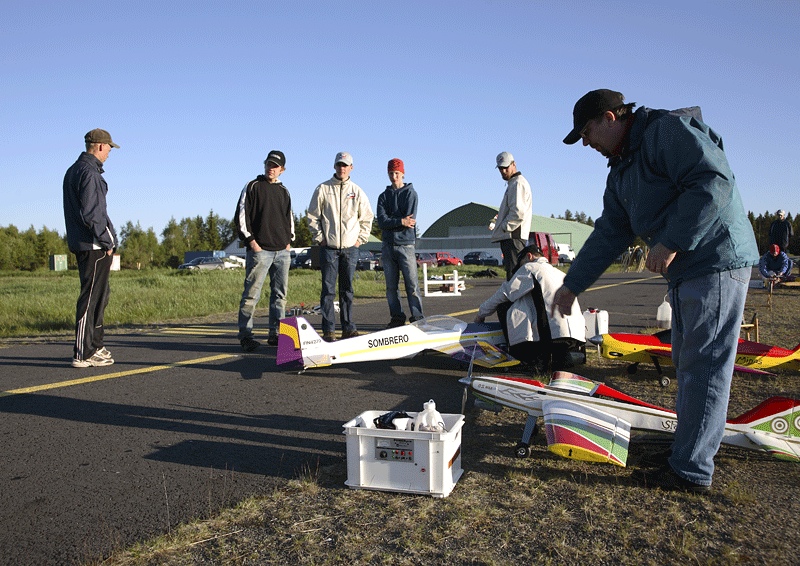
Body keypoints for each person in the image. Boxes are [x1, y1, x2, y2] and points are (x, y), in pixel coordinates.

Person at [553, 89, 759, 493]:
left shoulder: (665, 132)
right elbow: (610, 232)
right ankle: (687, 452)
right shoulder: (621, 169)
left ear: (610, 117)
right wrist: (573, 284)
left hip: (716, 259)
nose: (587, 143)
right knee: (688, 362)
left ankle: (690, 470)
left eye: (587, 132)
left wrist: (672, 240)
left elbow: (713, 180)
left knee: (703, 366)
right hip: (687, 270)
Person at [475, 244, 585, 373]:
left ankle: (526, 358)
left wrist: (481, 314)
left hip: (551, 336)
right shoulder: (559, 273)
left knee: (503, 306)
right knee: (532, 300)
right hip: (574, 335)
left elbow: (505, 293)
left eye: (520, 263)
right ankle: (561, 359)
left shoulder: (530, 267)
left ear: (529, 256)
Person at [63, 128, 120, 368]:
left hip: (87, 243)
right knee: (90, 298)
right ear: (100, 146)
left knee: (100, 295)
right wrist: (108, 241)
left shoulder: (74, 170)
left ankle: (95, 346)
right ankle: (83, 352)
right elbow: (93, 213)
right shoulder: (89, 173)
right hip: (93, 245)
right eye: (109, 149)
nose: (109, 153)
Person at [307, 152, 374, 341]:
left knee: (347, 290)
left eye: (345, 165)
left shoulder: (357, 191)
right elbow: (312, 216)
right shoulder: (323, 189)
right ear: (334, 166)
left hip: (351, 248)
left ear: (351, 168)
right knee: (328, 290)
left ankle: (348, 328)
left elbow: (367, 217)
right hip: (328, 248)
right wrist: (320, 238)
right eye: (339, 165)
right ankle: (328, 330)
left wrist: (360, 240)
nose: (342, 168)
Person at [235, 150, 294, 351]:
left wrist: (289, 241)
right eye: (269, 164)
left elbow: (289, 218)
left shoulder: (284, 191)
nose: (271, 168)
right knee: (251, 295)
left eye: (275, 166)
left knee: (280, 296)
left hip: (282, 251)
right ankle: (246, 336)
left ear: (282, 170)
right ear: (264, 164)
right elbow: (241, 217)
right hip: (260, 251)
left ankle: (276, 335)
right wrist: (252, 243)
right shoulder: (253, 186)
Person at [376, 158, 424, 328]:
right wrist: (400, 221)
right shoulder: (383, 197)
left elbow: (409, 218)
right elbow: (382, 222)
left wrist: (394, 221)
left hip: (406, 245)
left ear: (403, 173)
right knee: (391, 286)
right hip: (388, 246)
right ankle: (397, 318)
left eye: (396, 173)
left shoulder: (411, 194)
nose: (394, 176)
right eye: (391, 173)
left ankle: (418, 317)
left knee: (412, 284)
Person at [490, 152, 533, 280]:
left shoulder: (517, 183)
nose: (503, 171)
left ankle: (515, 294)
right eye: (500, 168)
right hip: (512, 236)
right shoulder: (513, 183)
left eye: (506, 167)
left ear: (514, 164)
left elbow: (518, 212)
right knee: (516, 276)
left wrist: (504, 227)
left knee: (515, 278)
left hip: (513, 236)